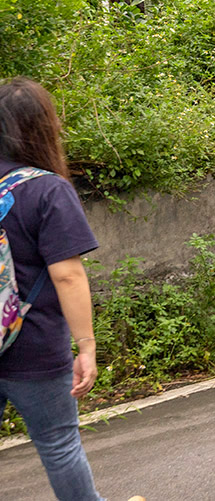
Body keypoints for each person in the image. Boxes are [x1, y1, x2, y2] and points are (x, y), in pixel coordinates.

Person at [0, 77, 106, 501]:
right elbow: (67, 275)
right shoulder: (46, 189)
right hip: (35, 348)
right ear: (42, 127)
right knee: (60, 446)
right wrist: (86, 346)